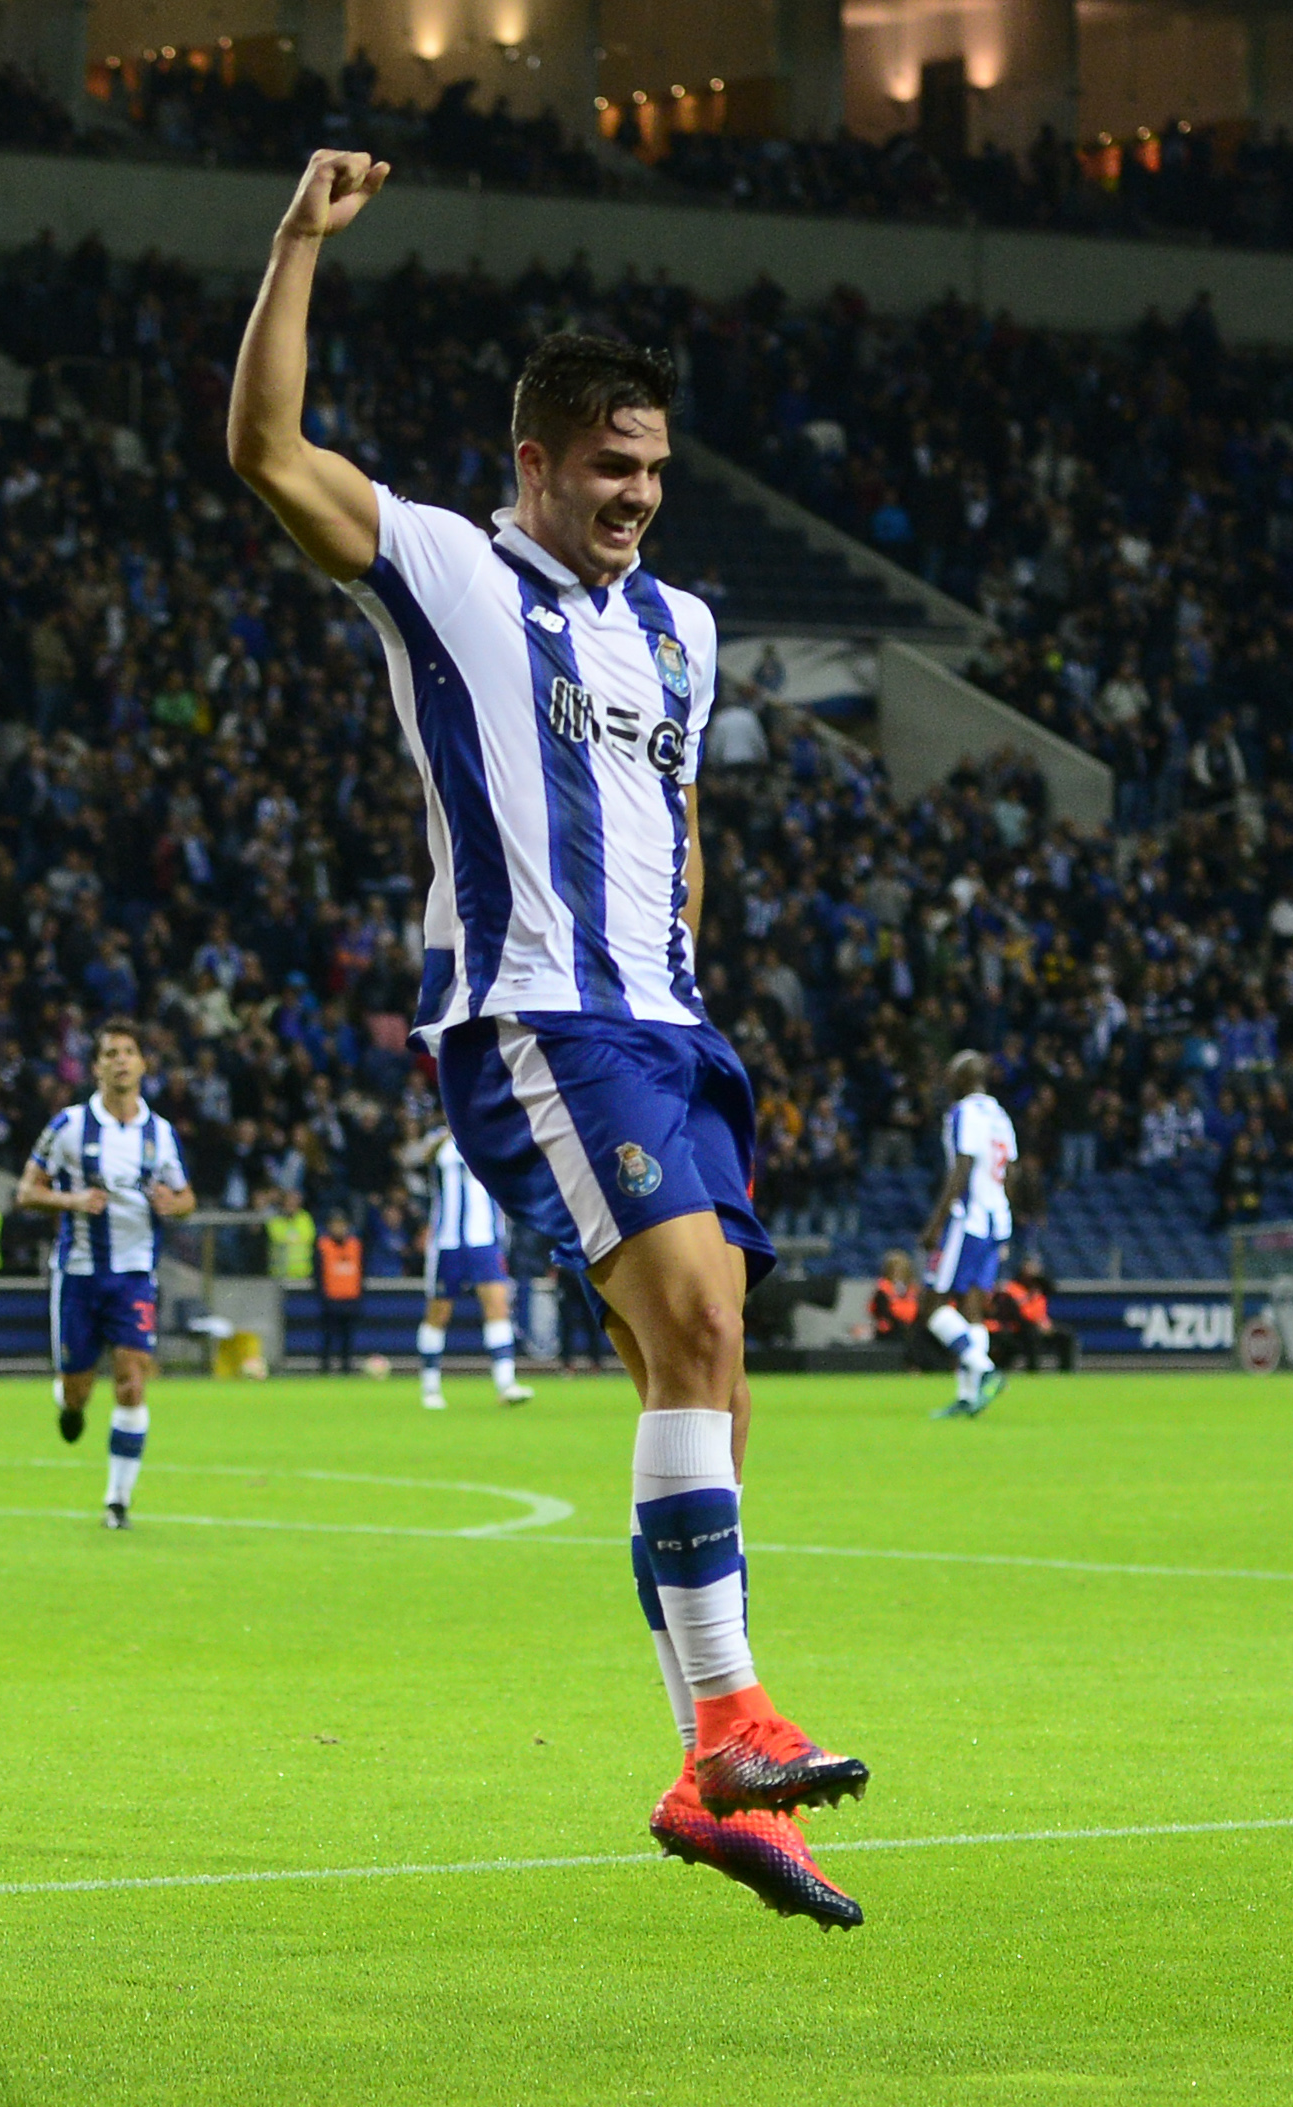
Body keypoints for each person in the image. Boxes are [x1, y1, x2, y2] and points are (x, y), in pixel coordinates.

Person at [227, 150, 867, 1929]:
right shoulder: (440, 565)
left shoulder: (684, 629)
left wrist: (682, 963)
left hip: (666, 1022)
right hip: (530, 1011)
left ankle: (709, 1773)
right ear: (534, 460)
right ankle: (731, 1721)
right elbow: (265, 455)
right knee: (687, 1321)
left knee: (719, 1377)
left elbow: (673, 817)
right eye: (608, 466)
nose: (636, 498)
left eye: (654, 470)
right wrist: (293, 248)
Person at [14, 1020, 194, 1528]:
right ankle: (70, 1406)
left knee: (133, 1382)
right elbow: (27, 1191)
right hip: (79, 1275)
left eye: (129, 1052)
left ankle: (117, 1501)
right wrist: (71, 1199)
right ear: (95, 1067)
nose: (120, 1060)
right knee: (79, 1390)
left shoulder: (160, 1134)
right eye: (110, 1053)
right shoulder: (68, 1126)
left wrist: (170, 1203)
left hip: (136, 1275)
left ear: (142, 1064)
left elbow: (187, 1197)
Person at [400, 1124, 535, 1410]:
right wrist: (450, 1132)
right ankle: (430, 1386)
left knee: (497, 1306)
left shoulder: (490, 1135)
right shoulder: (440, 1139)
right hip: (447, 1242)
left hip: (484, 1240)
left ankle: (505, 1384)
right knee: (439, 1312)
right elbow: (420, 1158)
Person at [920, 1050, 1018, 1420]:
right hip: (996, 1218)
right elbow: (1011, 1171)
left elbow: (962, 1167)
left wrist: (936, 1223)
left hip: (968, 1219)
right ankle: (969, 1396)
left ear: (963, 1079)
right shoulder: (1000, 1115)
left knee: (933, 1306)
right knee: (972, 1306)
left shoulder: (965, 1113)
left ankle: (986, 1369)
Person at [989, 1258, 1075, 1374]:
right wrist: (1037, 1324)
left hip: (1040, 1325)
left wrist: (1044, 1324)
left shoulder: (1039, 1289)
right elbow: (1017, 1315)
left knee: (1066, 1335)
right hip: (1019, 1328)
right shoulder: (1013, 1289)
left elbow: (1049, 1293)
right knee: (1031, 1333)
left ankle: (1067, 1371)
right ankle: (1033, 1370)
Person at [314, 1209, 366, 1374]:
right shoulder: (323, 1245)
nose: (338, 1228)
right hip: (331, 1298)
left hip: (351, 1297)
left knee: (348, 1337)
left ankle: (346, 1368)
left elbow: (362, 1271)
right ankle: (325, 1367)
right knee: (328, 1336)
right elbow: (317, 1273)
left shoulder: (356, 1245)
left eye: (341, 1225)